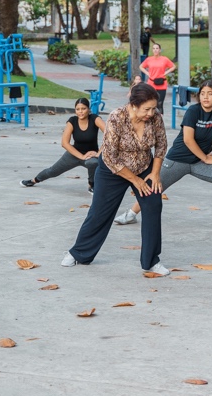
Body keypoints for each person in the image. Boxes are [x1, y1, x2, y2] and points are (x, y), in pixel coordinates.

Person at [113, 80, 212, 236]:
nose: (206, 97)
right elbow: (188, 140)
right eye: (203, 93)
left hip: (199, 162)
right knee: (154, 187)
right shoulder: (193, 111)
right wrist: (205, 158)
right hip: (177, 159)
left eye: (210, 94)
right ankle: (131, 214)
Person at [62, 83, 168, 276]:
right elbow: (110, 156)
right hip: (113, 169)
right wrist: (135, 180)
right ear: (134, 105)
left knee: (153, 205)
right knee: (99, 212)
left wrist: (155, 173)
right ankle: (78, 253)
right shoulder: (116, 117)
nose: (151, 113)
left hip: (144, 166)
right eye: (147, 109)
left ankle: (151, 261)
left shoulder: (156, 118)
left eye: (154, 108)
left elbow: (161, 145)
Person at [21, 98, 107, 192]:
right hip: (74, 154)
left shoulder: (94, 118)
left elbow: (110, 135)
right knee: (52, 171)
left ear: (88, 109)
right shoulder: (72, 121)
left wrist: (98, 154)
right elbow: (64, 143)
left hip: (91, 155)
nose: (80, 112)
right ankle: (34, 180)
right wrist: (82, 156)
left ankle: (91, 185)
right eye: (78, 109)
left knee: (93, 163)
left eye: (83, 108)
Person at [139, 42, 176, 114]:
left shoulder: (164, 59)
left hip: (162, 83)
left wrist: (166, 72)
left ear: (160, 50)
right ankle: (151, 118)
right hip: (151, 83)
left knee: (159, 103)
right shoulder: (149, 59)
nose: (155, 50)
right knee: (150, 102)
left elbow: (173, 66)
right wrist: (147, 73)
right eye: (154, 48)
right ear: (152, 50)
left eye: (157, 48)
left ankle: (160, 120)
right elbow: (141, 66)